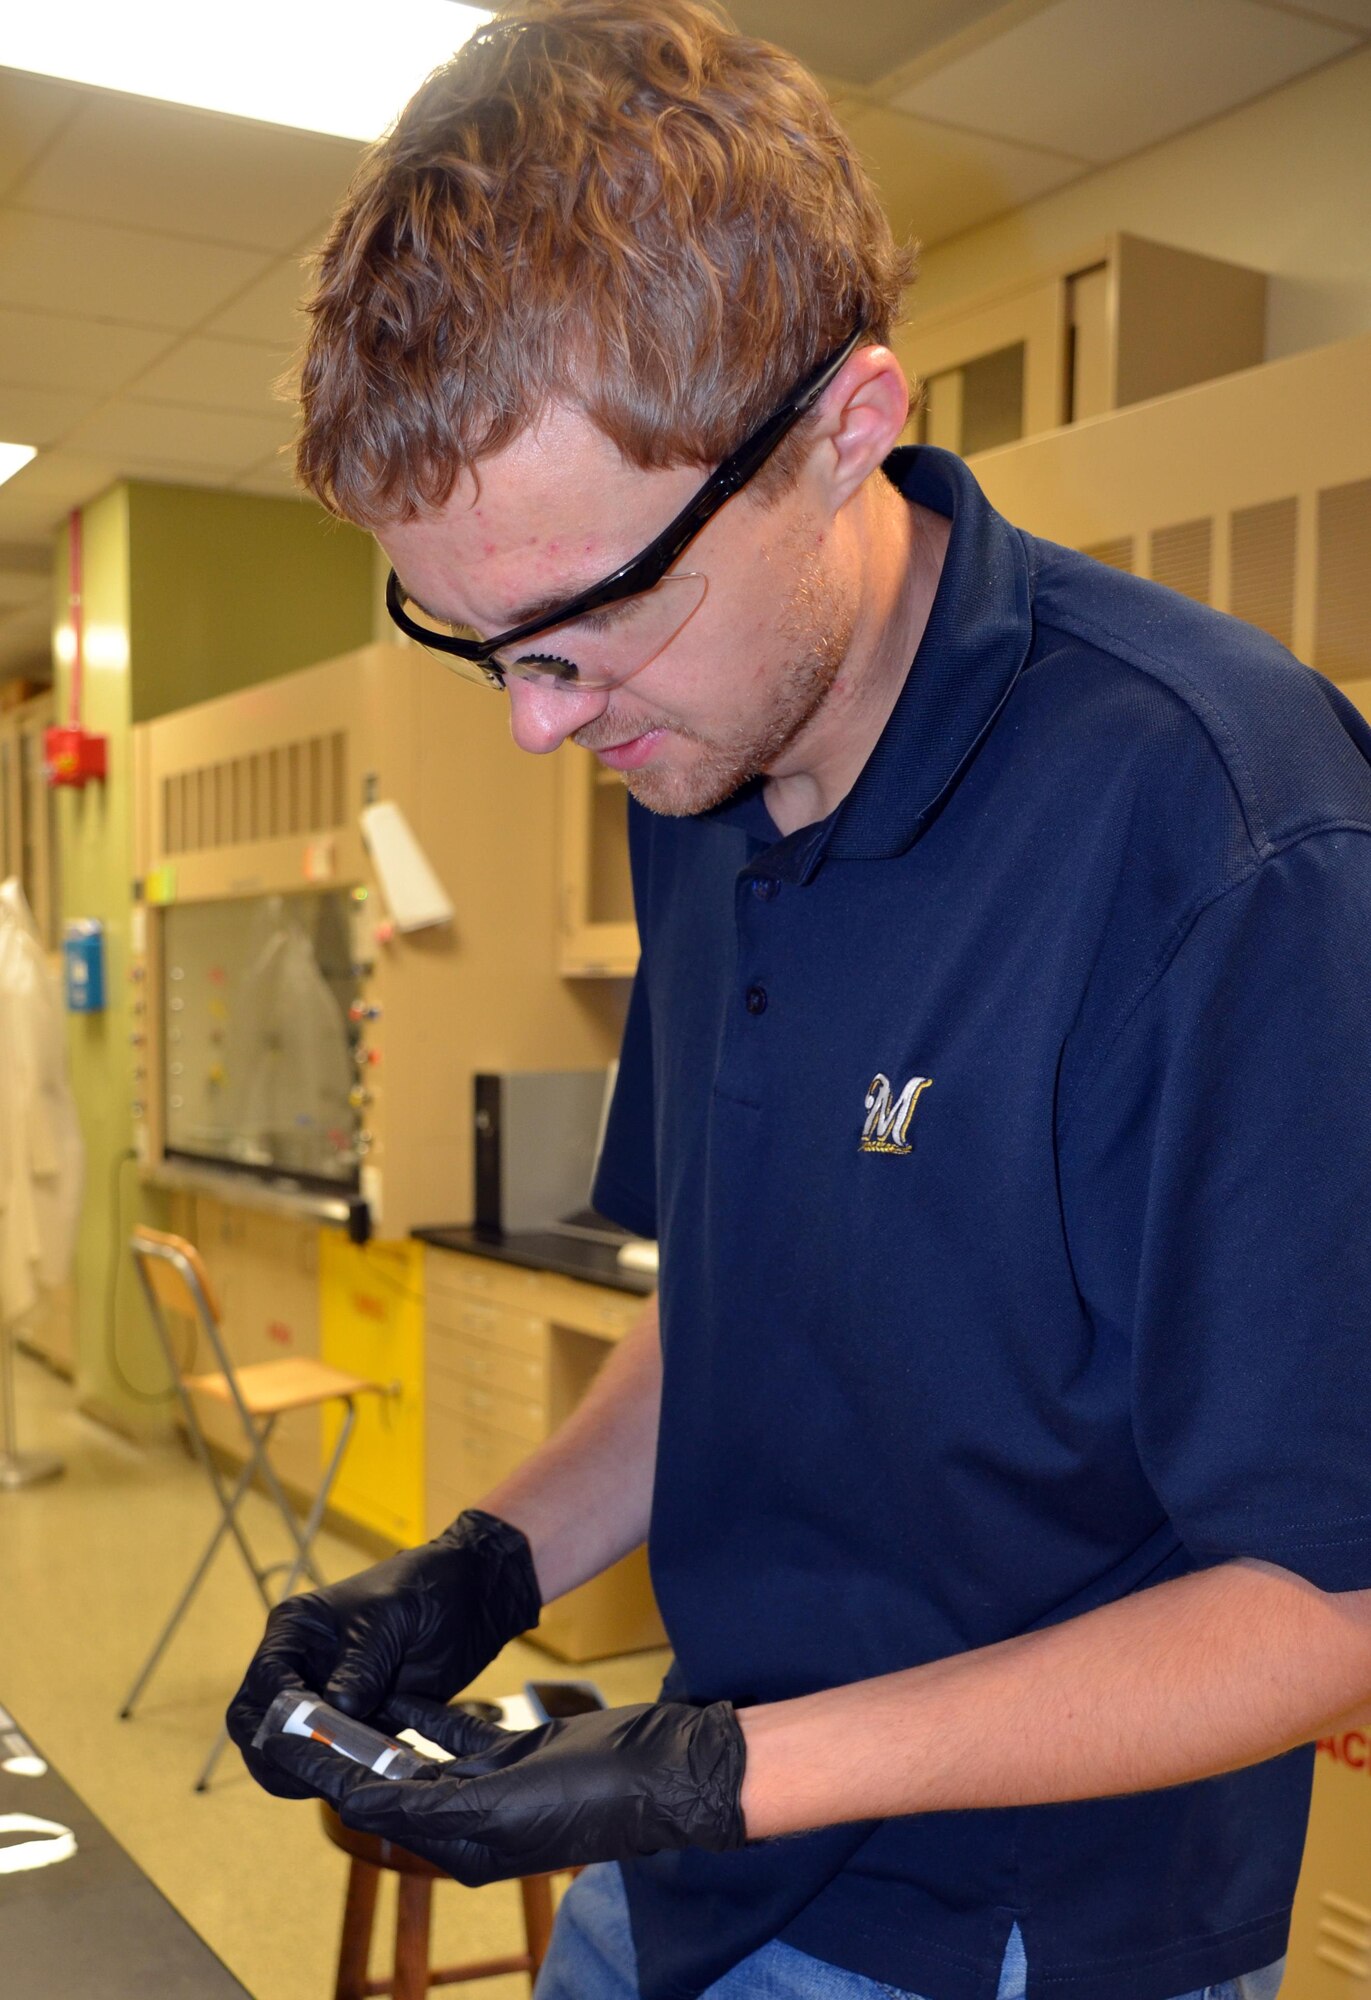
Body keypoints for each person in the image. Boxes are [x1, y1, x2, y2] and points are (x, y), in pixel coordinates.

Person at [227, 4, 1371, 1996]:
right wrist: (486, 1560)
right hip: (705, 1872)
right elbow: (737, 1304)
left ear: (845, 424)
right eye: (482, 640)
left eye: (586, 628)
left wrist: (703, 1771)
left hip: (1016, 1932)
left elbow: (1320, 1603)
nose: (532, 723)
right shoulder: (698, 760)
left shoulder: (1221, 826)